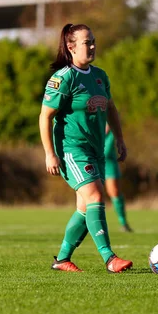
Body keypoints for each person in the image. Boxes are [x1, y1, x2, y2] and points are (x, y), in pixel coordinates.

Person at [39, 23, 133, 273]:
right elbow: (45, 116)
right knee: (95, 196)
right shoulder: (63, 78)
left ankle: (61, 259)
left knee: (84, 209)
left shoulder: (100, 76)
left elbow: (111, 109)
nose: (91, 46)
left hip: (96, 150)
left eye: (93, 41)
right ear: (70, 47)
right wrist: (50, 153)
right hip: (72, 150)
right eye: (86, 42)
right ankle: (109, 258)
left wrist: (120, 140)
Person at [104, 123, 133, 232]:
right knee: (90, 194)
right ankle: (88, 225)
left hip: (109, 162)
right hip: (93, 161)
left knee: (115, 192)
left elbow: (106, 150)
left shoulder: (112, 131)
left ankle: (123, 223)